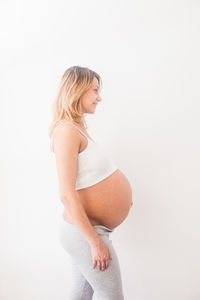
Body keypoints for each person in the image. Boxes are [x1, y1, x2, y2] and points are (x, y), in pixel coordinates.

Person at [49, 66, 133, 299]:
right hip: (85, 232)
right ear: (77, 89)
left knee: (80, 296)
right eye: (95, 90)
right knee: (112, 296)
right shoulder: (66, 131)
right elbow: (66, 194)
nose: (99, 97)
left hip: (88, 231)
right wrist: (94, 243)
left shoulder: (77, 129)